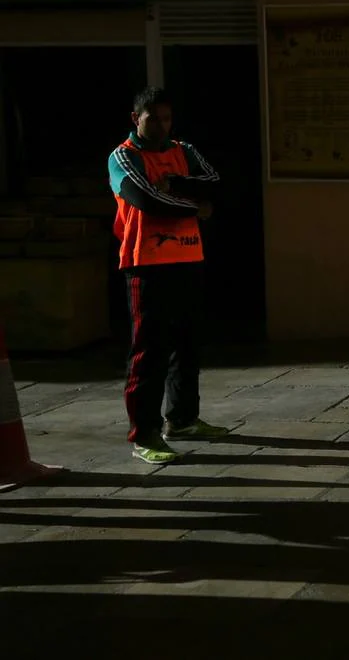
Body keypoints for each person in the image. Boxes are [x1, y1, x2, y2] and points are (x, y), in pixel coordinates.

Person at [108, 86, 228, 464]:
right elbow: (145, 199)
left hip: (189, 257)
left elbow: (217, 185)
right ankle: (144, 433)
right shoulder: (123, 157)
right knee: (149, 352)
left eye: (166, 118)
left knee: (187, 345)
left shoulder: (184, 151)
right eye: (152, 118)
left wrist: (175, 183)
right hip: (147, 264)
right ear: (135, 119)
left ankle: (182, 419)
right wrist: (196, 207)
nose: (160, 125)